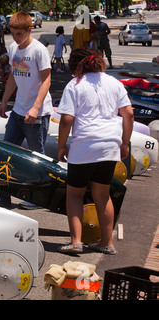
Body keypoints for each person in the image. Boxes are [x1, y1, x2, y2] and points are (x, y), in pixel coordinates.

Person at [56, 48, 134, 254]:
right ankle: (107, 243)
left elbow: (66, 119)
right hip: (109, 145)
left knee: (74, 195)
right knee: (102, 195)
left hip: (84, 146)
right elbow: (129, 114)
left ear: (76, 65)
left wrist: (61, 145)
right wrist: (125, 142)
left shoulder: (74, 85)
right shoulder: (115, 84)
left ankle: (76, 241)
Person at [0, 11, 53, 208]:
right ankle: (2, 196)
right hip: (18, 111)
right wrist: (4, 101)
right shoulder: (14, 48)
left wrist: (36, 107)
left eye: (19, 34)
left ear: (29, 30)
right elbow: (13, 76)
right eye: (12, 33)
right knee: (5, 153)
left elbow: (46, 80)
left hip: (36, 114)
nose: (15, 38)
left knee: (37, 157)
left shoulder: (39, 50)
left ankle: (39, 198)